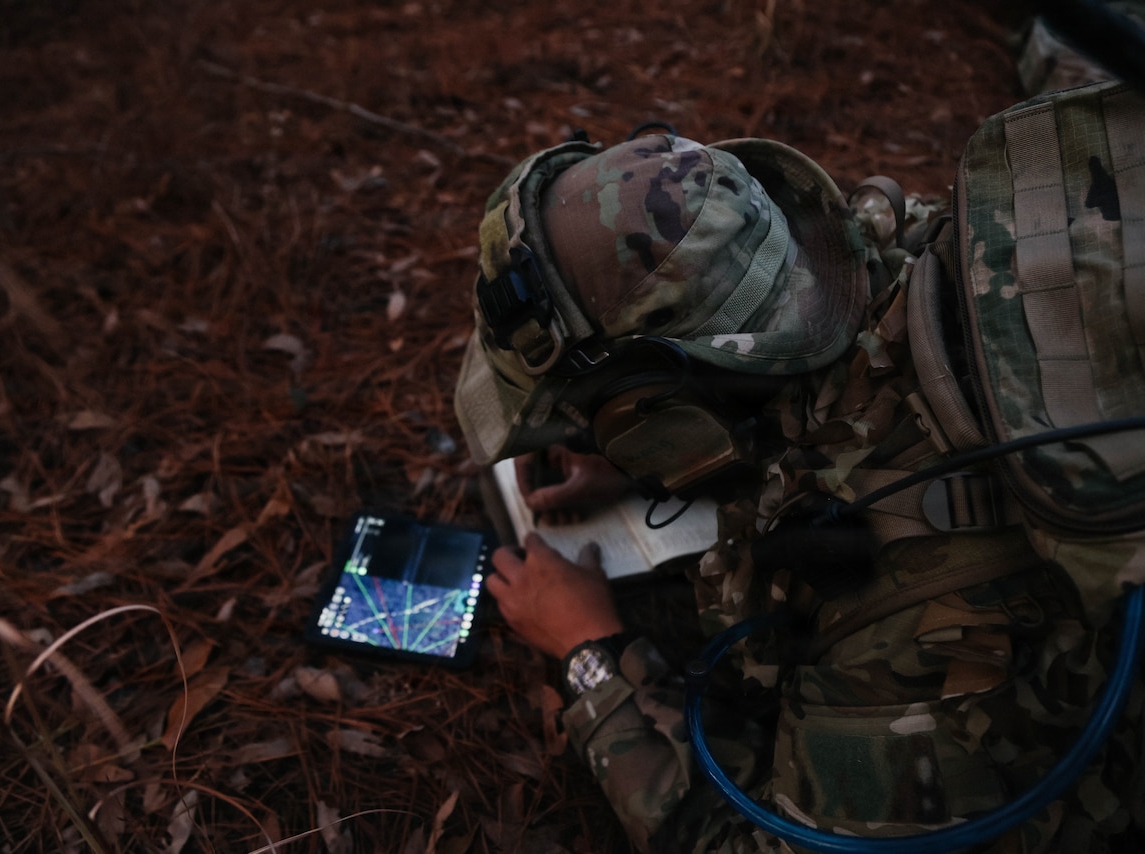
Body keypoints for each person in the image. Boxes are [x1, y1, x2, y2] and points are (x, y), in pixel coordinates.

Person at [452, 24, 1145, 851]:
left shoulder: (920, 627)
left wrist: (589, 654)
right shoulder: (906, 262)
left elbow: (761, 844)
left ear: (670, 409)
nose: (593, 441)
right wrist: (637, 469)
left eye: (597, 420)